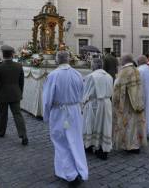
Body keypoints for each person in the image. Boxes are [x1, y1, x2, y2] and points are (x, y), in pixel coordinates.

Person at [43, 51, 88, 186]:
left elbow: (47, 99)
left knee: (61, 143)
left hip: (59, 112)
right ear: (69, 59)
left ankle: (71, 175)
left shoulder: (53, 75)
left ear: (57, 60)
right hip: (74, 111)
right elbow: (82, 92)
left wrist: (46, 115)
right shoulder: (77, 74)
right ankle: (78, 170)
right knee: (75, 141)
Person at [0, 45, 28, 145]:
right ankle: (23, 135)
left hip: (2, 95)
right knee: (17, 115)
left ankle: (1, 132)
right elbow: (21, 82)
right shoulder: (18, 66)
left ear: (3, 54)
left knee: (2, 114)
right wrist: (20, 93)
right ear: (12, 54)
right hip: (15, 94)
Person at [112, 54, 147, 154]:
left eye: (121, 60)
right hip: (136, 101)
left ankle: (130, 146)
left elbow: (117, 87)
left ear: (124, 61)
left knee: (127, 125)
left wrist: (115, 101)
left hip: (127, 103)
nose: (120, 61)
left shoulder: (124, 71)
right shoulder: (136, 70)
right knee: (134, 124)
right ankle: (136, 144)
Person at [82, 58, 113, 160]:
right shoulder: (109, 76)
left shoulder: (91, 76)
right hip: (107, 103)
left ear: (94, 66)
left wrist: (83, 103)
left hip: (95, 104)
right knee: (105, 126)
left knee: (91, 125)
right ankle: (103, 150)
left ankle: (89, 145)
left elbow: (87, 93)